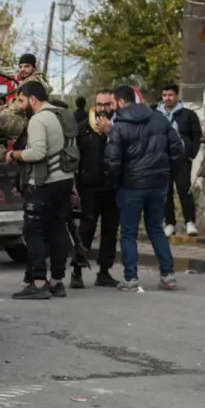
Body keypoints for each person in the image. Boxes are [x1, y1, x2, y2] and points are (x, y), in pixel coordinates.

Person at [104, 84, 183, 291]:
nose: (111, 107)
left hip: (130, 186)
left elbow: (113, 161)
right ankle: (168, 275)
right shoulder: (159, 118)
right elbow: (177, 150)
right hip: (158, 185)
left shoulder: (119, 126)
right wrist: (169, 177)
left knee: (128, 232)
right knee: (156, 229)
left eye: (112, 103)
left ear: (121, 102)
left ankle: (131, 278)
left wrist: (114, 184)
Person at [4, 80, 76, 299]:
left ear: (33, 99)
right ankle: (57, 281)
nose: (19, 104)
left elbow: (37, 153)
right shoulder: (63, 115)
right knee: (58, 230)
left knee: (34, 232)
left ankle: (38, 282)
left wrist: (13, 155)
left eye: (21, 100)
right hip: (65, 180)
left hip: (44, 184)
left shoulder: (38, 119)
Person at [72, 90, 120, 289]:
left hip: (114, 187)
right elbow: (76, 158)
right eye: (100, 104)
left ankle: (104, 271)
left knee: (110, 231)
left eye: (107, 104)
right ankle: (77, 270)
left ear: (114, 105)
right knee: (86, 231)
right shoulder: (83, 128)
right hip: (89, 188)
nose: (103, 109)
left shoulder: (120, 127)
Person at [155, 83, 202, 236]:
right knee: (165, 192)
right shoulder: (156, 114)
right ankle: (169, 223)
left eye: (170, 95)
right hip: (162, 158)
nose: (167, 98)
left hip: (181, 158)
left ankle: (189, 221)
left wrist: (191, 153)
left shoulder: (188, 114)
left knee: (184, 190)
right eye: (164, 95)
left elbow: (196, 136)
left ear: (176, 96)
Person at [0, 53, 51, 140]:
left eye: (27, 66)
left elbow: (17, 107)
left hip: (24, 123)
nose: (22, 69)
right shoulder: (37, 80)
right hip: (29, 121)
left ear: (34, 68)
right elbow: (16, 103)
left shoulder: (31, 82)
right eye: (20, 67)